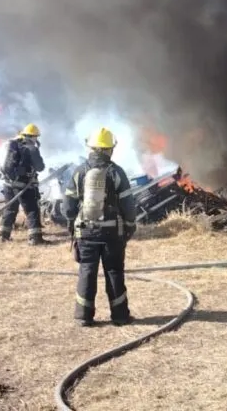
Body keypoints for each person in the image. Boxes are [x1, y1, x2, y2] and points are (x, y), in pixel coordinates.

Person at [63, 127, 137, 327]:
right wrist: (130, 225)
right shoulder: (117, 172)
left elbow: (68, 206)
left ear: (91, 148)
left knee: (87, 271)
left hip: (86, 233)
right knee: (114, 271)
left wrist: (72, 223)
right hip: (112, 233)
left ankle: (83, 316)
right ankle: (120, 316)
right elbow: (128, 205)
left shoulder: (79, 172)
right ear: (110, 149)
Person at [0, 124, 46, 245]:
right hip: (25, 186)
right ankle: (35, 238)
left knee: (10, 209)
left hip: (8, 184)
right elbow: (40, 167)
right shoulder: (31, 148)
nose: (36, 139)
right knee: (32, 210)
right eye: (36, 137)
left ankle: (3, 236)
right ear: (33, 136)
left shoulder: (12, 145)